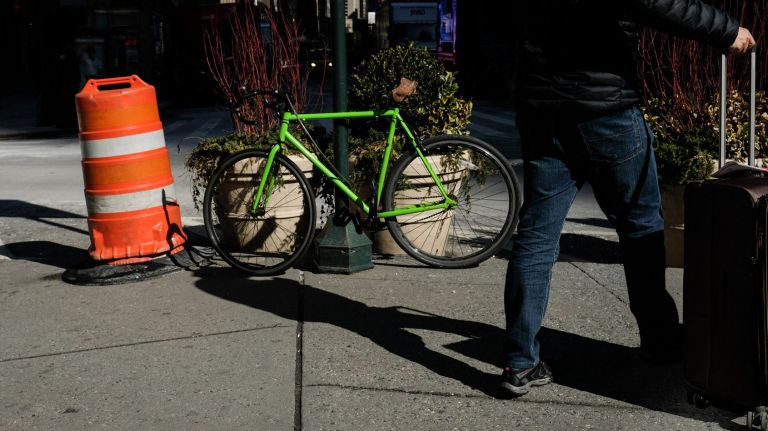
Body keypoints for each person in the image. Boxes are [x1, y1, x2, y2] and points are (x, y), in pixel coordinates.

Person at [500, 0, 756, 397]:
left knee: (535, 236)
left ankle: (519, 360)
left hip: (541, 107)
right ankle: (660, 341)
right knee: (641, 227)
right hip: (605, 107)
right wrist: (725, 30)